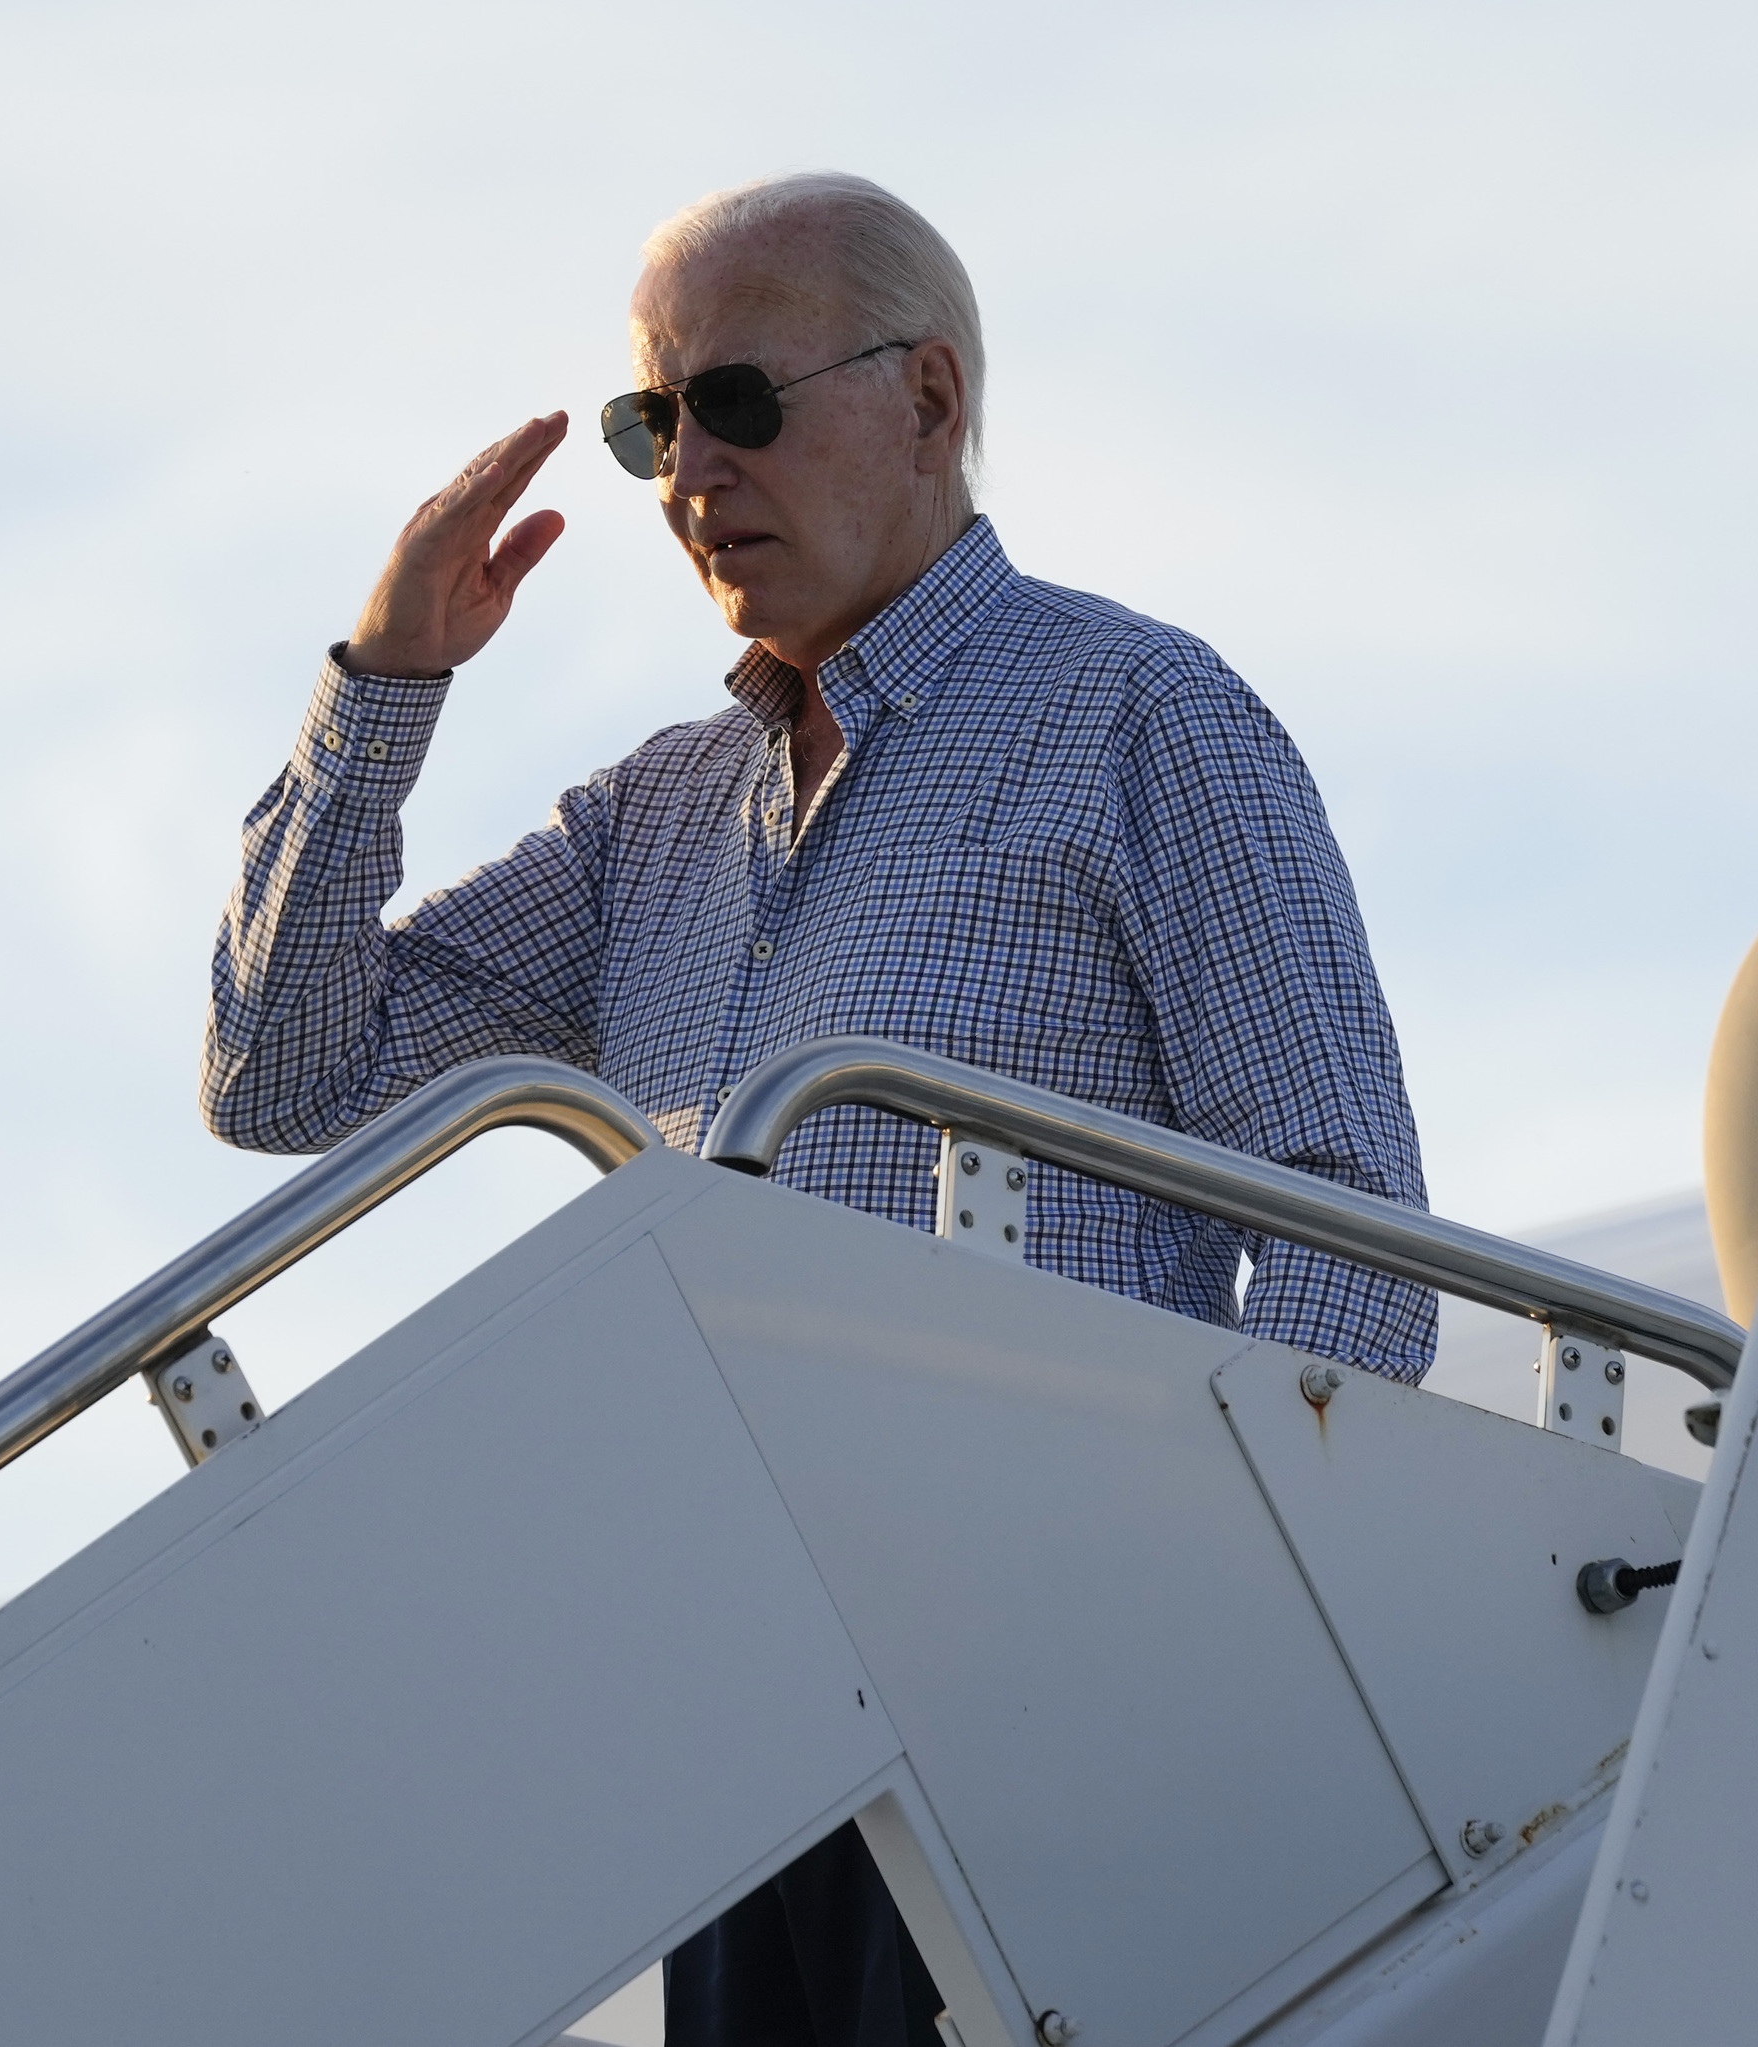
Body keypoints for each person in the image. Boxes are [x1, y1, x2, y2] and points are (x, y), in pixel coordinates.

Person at [201, 171, 1435, 2047]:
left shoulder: (1143, 716)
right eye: (653, 420)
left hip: (1061, 1690)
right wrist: (380, 687)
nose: (691, 468)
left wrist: (1202, 1639)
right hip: (742, 1718)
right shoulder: (650, 823)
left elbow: (1353, 1235)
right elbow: (281, 1078)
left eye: (743, 403)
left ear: (927, 398)